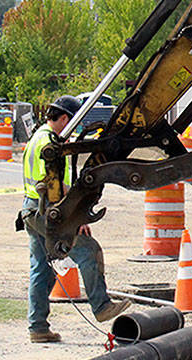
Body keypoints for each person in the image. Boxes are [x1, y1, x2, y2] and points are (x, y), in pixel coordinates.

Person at [22, 95, 129, 343]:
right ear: (64, 119)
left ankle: (38, 327)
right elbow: (53, 186)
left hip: (32, 210)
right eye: (73, 122)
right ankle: (101, 306)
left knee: (42, 269)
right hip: (48, 211)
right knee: (88, 251)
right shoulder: (49, 144)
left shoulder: (37, 137)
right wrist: (75, 216)